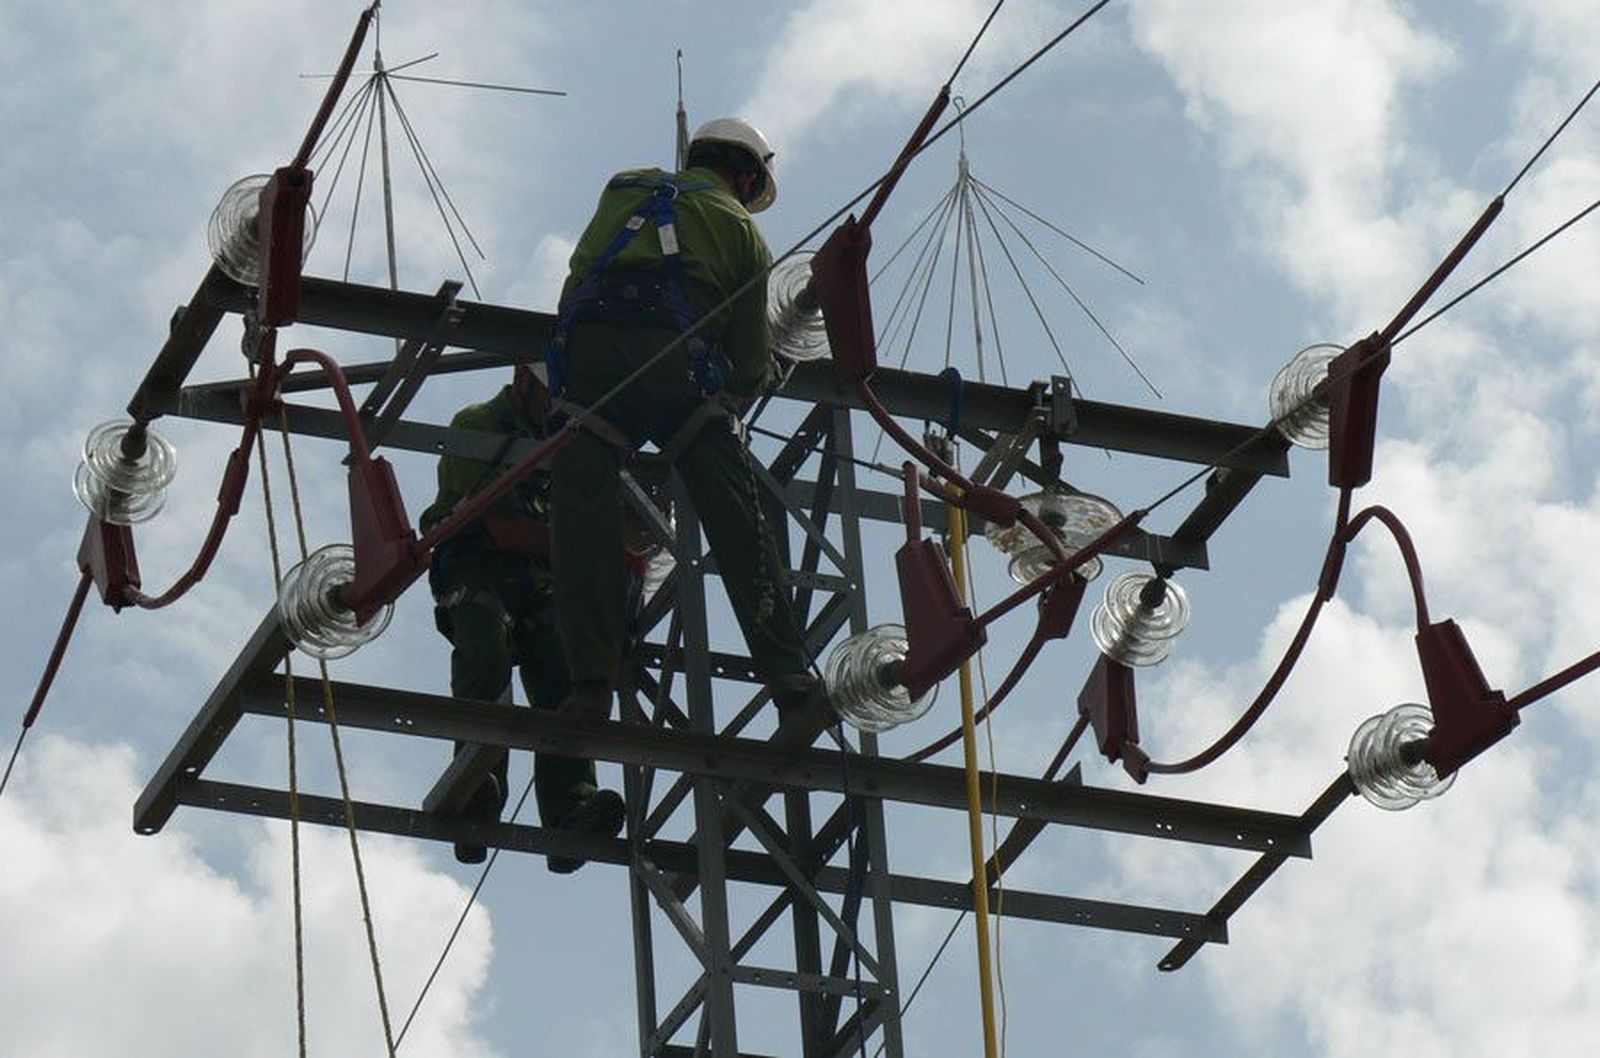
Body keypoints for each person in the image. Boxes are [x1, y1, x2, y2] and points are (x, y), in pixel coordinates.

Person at [547, 117, 820, 722]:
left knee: (581, 509)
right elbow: (748, 367)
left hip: (589, 360)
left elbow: (580, 272)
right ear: (746, 177)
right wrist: (767, 370)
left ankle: (589, 682)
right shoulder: (742, 232)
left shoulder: (623, 187)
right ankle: (787, 673)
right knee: (735, 512)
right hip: (672, 367)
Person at [420, 363, 624, 871]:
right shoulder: (479, 425)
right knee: (485, 654)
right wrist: (595, 546)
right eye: (550, 393)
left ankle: (570, 806)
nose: (557, 407)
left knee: (564, 677)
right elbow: (501, 526)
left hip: (541, 576)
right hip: (478, 564)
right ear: (523, 382)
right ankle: (475, 790)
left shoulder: (569, 437)